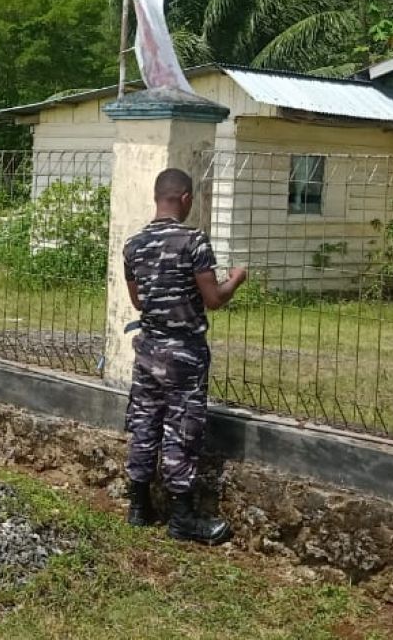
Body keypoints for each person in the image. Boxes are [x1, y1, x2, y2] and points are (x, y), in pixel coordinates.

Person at [122, 168, 247, 544]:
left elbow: (138, 301)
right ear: (186, 198)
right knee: (182, 429)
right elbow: (214, 299)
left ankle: (139, 507)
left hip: (147, 349)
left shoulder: (133, 245)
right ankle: (183, 517)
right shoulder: (193, 242)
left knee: (144, 422)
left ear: (157, 197)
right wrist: (237, 277)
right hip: (184, 355)